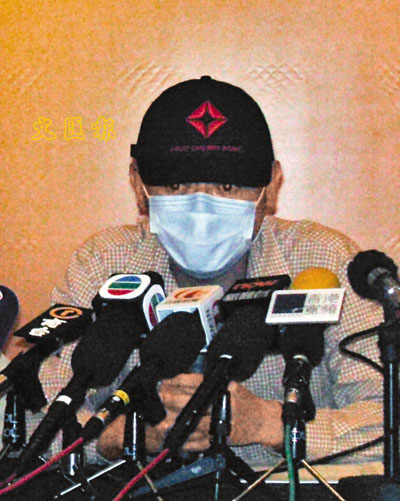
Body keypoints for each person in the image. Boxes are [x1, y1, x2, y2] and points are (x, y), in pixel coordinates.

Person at [26, 76, 383, 472]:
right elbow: (30, 418)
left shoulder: (323, 258)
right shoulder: (103, 262)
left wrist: (268, 424)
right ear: (137, 184)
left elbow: (388, 418)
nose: (200, 209)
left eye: (227, 186)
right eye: (176, 185)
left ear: (272, 184)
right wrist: (126, 434)